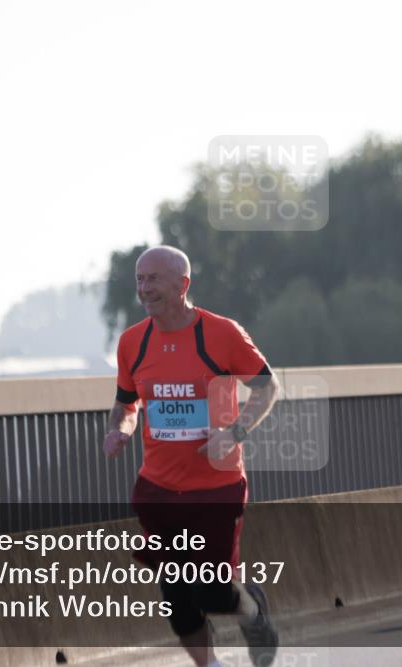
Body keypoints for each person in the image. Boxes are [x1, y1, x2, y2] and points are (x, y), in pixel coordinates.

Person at [103, 245, 280, 667]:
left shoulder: (222, 334)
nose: (145, 289)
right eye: (140, 280)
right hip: (158, 490)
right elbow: (126, 404)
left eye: (154, 279)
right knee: (177, 599)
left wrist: (234, 432)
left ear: (182, 285)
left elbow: (267, 388)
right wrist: (119, 431)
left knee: (211, 591)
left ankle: (251, 609)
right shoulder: (132, 343)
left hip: (215, 488)